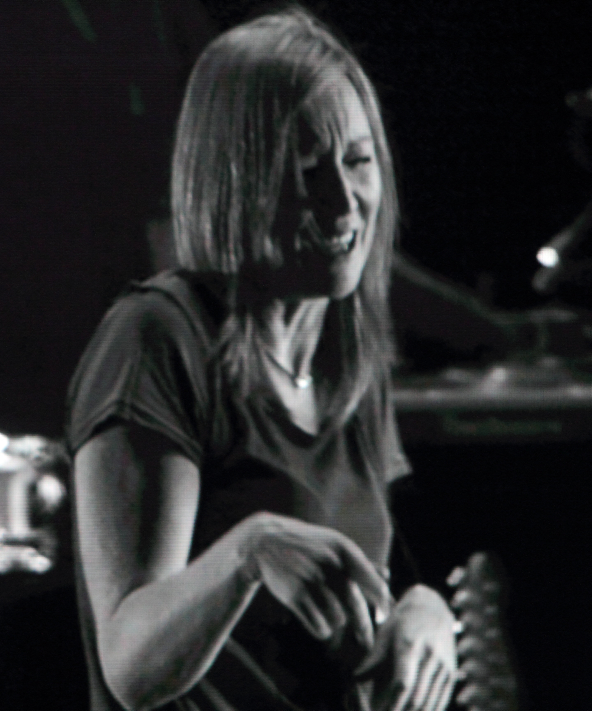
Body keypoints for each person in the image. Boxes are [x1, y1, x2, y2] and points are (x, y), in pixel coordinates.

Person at [67, 9, 457, 711]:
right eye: (306, 171)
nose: (343, 202)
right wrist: (249, 552)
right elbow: (130, 665)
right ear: (233, 183)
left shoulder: (348, 350)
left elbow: (376, 575)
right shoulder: (158, 338)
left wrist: (425, 609)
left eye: (358, 161)